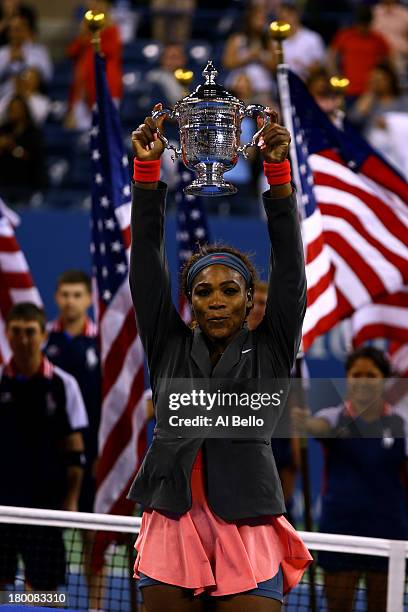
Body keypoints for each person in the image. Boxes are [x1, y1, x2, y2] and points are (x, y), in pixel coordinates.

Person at [127, 104, 312, 611]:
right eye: (203, 291)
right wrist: (145, 177)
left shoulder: (271, 349)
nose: (216, 300)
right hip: (172, 521)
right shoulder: (167, 346)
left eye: (230, 290)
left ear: (249, 300)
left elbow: (292, 271)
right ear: (189, 301)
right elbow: (145, 268)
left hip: (248, 525)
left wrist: (277, 177)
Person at [292, 346, 408, 612]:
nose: (363, 380)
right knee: (339, 606)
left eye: (371, 374)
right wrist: (304, 422)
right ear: (348, 379)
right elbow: (317, 426)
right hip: (340, 529)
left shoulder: (401, 424)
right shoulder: (334, 418)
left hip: (389, 533)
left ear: (384, 379)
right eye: (357, 374)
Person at [0, 302, 88, 590]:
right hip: (2, 506)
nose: (23, 340)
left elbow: (75, 452)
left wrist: (71, 501)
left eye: (29, 332)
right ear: (8, 335)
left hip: (45, 509)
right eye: (16, 332)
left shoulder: (64, 385)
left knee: (44, 595)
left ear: (42, 335)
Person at [44, 270, 102, 610]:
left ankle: (95, 607)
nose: (70, 301)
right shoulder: (42, 341)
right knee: (45, 542)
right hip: (50, 462)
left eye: (77, 295)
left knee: (92, 542)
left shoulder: (103, 343)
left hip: (94, 459)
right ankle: (44, 605)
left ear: (89, 300)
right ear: (56, 298)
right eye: (64, 294)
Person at [247, 280, 301, 524]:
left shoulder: (285, 357)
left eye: (264, 304)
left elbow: (292, 425)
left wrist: (293, 461)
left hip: (273, 464)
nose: (259, 308)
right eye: (254, 302)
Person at [67, 0, 122, 130]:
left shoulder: (111, 30)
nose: (94, 7)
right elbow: (71, 52)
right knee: (82, 136)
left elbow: (108, 51)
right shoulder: (85, 32)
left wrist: (96, 32)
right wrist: (84, 34)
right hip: (82, 89)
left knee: (104, 133)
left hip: (106, 89)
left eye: (98, 4)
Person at [328, 5, 391, 101]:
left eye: (366, 25)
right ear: (356, 23)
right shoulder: (345, 36)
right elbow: (331, 57)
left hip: (371, 91)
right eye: (361, 25)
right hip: (348, 89)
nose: (363, 28)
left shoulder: (378, 39)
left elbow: (389, 61)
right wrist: (335, 74)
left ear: (371, 23)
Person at [222, 4, 276, 106]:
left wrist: (260, 57)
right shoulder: (237, 39)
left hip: (262, 89)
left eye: (263, 19)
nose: (261, 22)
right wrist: (248, 57)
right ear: (249, 19)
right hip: (239, 90)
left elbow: (275, 66)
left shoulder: (269, 42)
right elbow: (227, 62)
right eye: (258, 19)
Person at [0, 94, 46, 203]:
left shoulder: (33, 132)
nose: (14, 111)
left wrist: (12, 147)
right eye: (12, 108)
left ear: (24, 110)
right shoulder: (3, 129)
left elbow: (33, 157)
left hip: (26, 183)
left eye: (17, 108)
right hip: (3, 183)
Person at [0, 14, 52, 99]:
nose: (13, 34)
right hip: (5, 97)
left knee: (32, 73)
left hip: (31, 97)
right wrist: (7, 61)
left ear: (26, 30)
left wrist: (25, 58)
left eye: (17, 29)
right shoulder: (2, 52)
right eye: (11, 30)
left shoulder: (38, 50)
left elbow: (47, 76)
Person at [275, 2, 326, 80]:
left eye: (288, 16)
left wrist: (303, 67)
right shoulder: (276, 41)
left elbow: (320, 67)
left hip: (306, 85)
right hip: (283, 86)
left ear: (296, 15)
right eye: (281, 18)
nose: (285, 21)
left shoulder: (312, 38)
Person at [146, 43, 188, 107]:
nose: (173, 61)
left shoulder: (193, 77)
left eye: (177, 57)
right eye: (170, 57)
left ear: (184, 59)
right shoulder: (153, 78)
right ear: (162, 59)